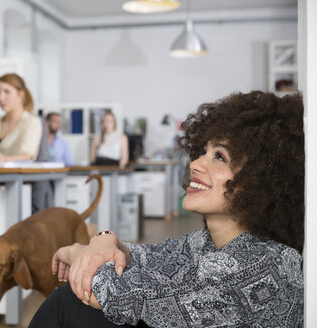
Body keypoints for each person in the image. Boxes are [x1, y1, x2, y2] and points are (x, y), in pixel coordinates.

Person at [29, 91, 304, 327]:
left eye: (219, 157)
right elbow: (143, 257)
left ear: (260, 180)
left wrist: (78, 251)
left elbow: (115, 293)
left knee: (68, 304)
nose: (195, 164)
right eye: (202, 152)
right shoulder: (209, 242)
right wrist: (105, 238)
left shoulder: (260, 267)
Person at [0, 73, 42, 163]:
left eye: (7, 92)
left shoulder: (31, 122)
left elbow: (28, 156)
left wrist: (5, 159)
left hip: (15, 175)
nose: (0, 98)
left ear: (21, 95)